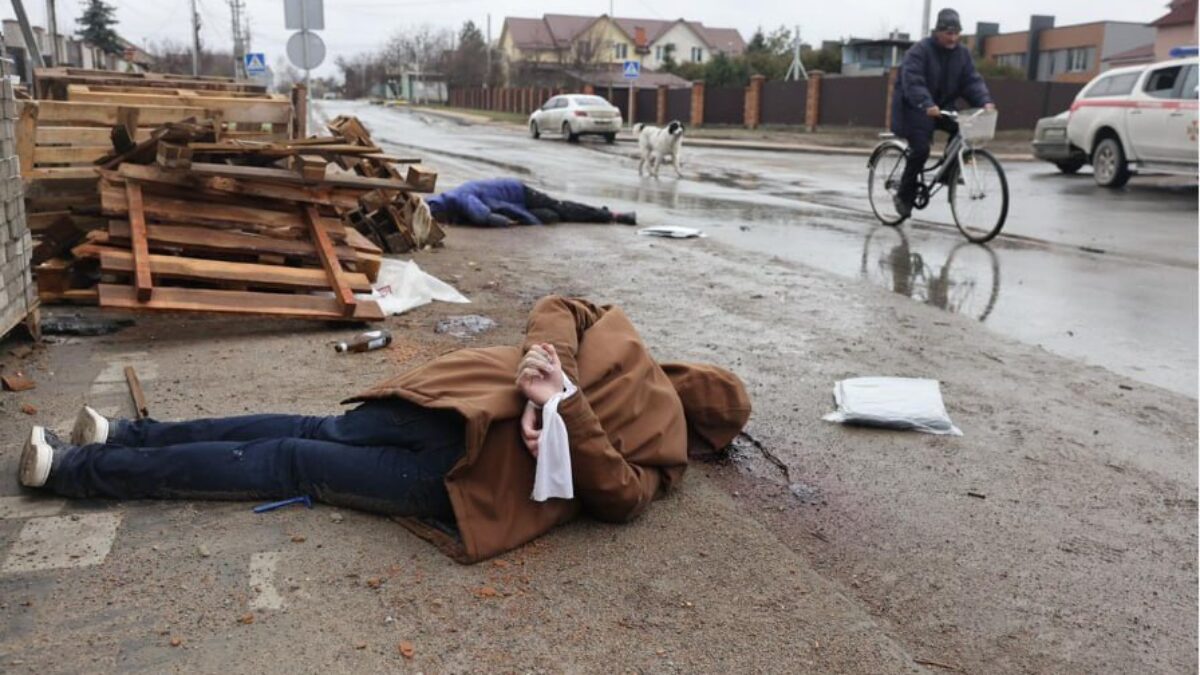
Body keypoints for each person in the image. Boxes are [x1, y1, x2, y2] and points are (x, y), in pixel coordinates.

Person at [18, 297, 750, 563]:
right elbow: (618, 496)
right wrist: (554, 391)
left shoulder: (626, 345)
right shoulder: (662, 440)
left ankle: (115, 438)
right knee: (293, 458)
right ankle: (78, 466)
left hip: (448, 423)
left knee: (305, 436)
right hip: (457, 469)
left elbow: (560, 308)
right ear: (708, 438)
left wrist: (558, 393)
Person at [890, 8, 995, 219]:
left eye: (957, 33)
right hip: (915, 107)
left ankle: (949, 172)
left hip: (943, 107)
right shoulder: (919, 51)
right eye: (949, 33)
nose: (953, 38)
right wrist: (926, 103)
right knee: (920, 150)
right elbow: (913, 81)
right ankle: (903, 196)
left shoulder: (962, 54)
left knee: (965, 130)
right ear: (937, 31)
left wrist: (985, 102)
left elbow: (971, 81)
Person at [425, 178, 637, 228]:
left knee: (561, 208)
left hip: (520, 193)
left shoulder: (459, 198)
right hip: (517, 203)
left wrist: (508, 223)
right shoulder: (452, 200)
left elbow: (483, 215)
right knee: (553, 217)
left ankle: (612, 215)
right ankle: (597, 213)